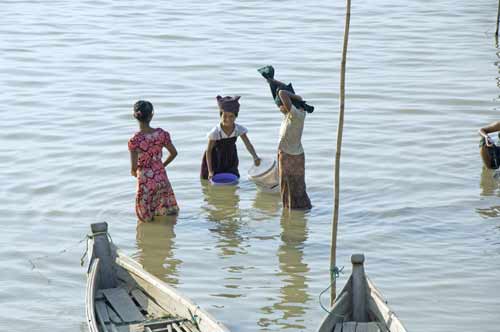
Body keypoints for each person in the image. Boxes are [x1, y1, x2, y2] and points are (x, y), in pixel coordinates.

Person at [128, 100, 179, 222]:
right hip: (161, 177)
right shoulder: (161, 134)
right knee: (166, 214)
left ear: (135, 116)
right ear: (152, 115)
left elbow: (134, 169)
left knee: (145, 218)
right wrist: (161, 165)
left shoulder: (135, 140)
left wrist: (135, 173)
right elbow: (174, 153)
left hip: (146, 181)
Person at [200, 95, 261, 180]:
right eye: (224, 116)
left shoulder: (238, 129)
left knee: (232, 179)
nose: (227, 119)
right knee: (213, 180)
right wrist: (210, 171)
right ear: (220, 115)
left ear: (236, 117)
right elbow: (208, 151)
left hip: (231, 157)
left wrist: (255, 157)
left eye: (231, 116)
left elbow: (248, 144)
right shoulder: (215, 132)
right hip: (215, 158)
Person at [275, 88, 312, 210]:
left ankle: (292, 209)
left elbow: (282, 93)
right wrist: (271, 81)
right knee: (295, 185)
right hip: (294, 154)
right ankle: (296, 210)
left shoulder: (296, 114)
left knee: (290, 185)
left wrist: (297, 97)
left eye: (282, 105)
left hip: (289, 156)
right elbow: (280, 92)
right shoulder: (292, 115)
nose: (280, 107)